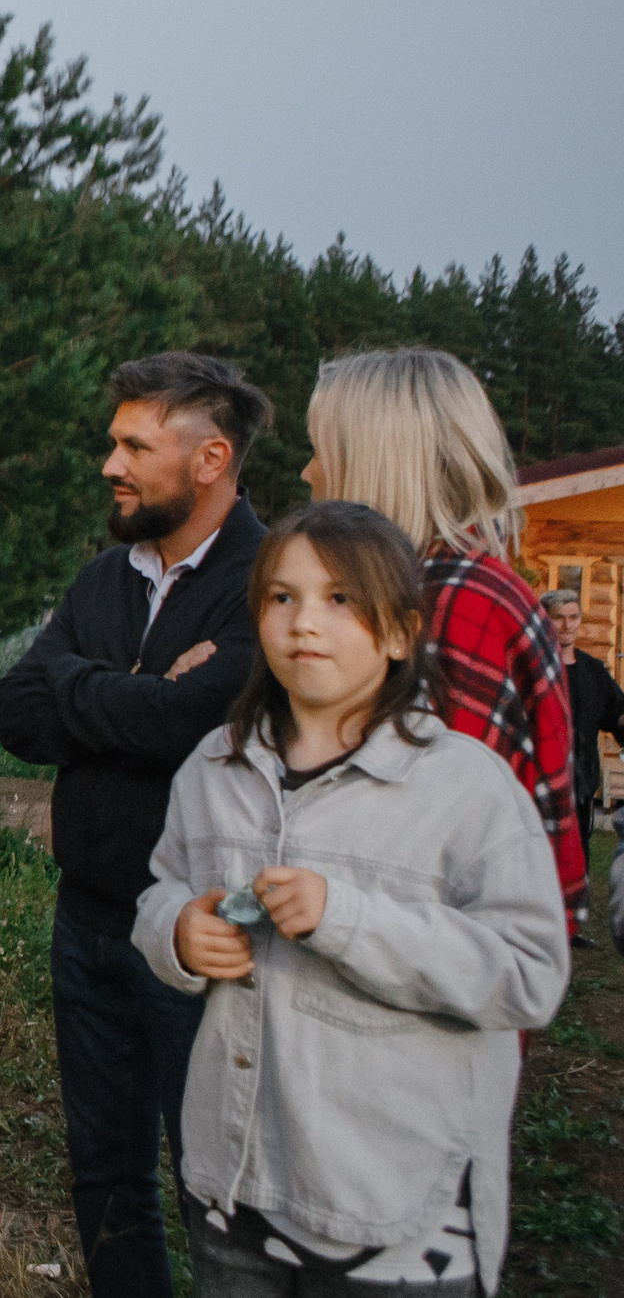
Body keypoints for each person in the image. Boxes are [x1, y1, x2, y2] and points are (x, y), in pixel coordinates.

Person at [134, 501, 570, 1296]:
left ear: (402, 632)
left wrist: (348, 918)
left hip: (398, 1220)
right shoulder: (214, 768)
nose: (306, 621)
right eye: (282, 596)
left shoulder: (464, 788)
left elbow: (530, 971)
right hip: (237, 1192)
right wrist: (178, 932)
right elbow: (160, 891)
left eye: (341, 598)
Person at [0, 351, 271, 1298]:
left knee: (215, 1186)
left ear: (210, 458)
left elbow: (183, 725)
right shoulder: (105, 578)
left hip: (204, 930)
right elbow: (17, 710)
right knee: (105, 1173)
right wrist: (141, 690)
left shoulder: (267, 581)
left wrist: (101, 693)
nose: (109, 463)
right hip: (88, 918)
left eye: (133, 444)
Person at [301, 348, 586, 939]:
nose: (308, 472)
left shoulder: (454, 603)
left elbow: (424, 844)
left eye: (321, 451)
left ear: (376, 464)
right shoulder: (435, 587)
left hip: (417, 980)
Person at [542, 587, 623, 949]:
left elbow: (616, 716)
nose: (567, 625)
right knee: (538, 852)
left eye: (573, 617)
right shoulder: (534, 669)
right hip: (538, 778)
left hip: (581, 779)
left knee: (577, 851)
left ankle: (569, 928)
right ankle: (535, 924)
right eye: (559, 617)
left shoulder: (592, 671)